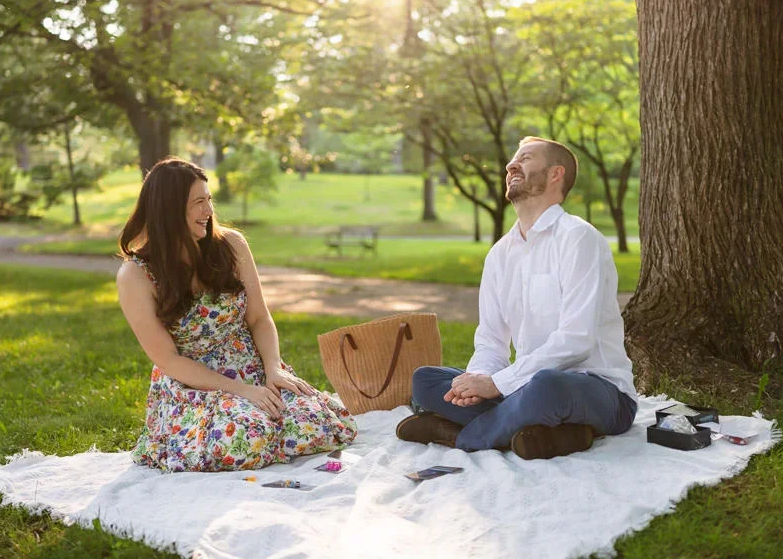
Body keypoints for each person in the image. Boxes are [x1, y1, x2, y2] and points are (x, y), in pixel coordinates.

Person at [396, 137, 637, 459]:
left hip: (597, 389)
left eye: (525, 158)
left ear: (555, 174)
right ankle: (551, 434)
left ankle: (460, 437)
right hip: (523, 388)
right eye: (513, 160)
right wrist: (477, 380)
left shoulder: (579, 238)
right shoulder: (500, 254)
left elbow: (577, 340)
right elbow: (492, 339)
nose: (511, 165)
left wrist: (498, 385)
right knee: (426, 379)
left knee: (548, 385)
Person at [116, 157, 357, 472]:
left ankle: (273, 430)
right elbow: (169, 360)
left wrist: (274, 370)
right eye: (199, 203)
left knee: (322, 423)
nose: (209, 211)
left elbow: (259, 318)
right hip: (196, 386)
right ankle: (252, 435)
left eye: (210, 200)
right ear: (169, 209)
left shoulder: (232, 245)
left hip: (253, 369)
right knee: (246, 437)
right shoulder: (135, 275)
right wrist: (243, 392)